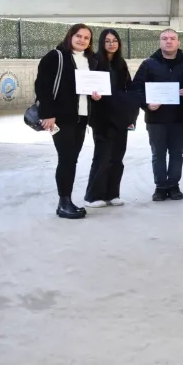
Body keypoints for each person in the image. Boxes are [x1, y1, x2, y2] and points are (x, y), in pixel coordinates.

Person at [35, 23, 99, 219]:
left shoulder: (91, 60)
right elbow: (42, 86)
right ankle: (64, 203)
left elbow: (90, 86)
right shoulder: (56, 56)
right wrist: (47, 114)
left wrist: (96, 95)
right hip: (61, 118)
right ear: (70, 36)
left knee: (71, 159)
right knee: (66, 159)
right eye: (78, 36)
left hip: (81, 117)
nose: (82, 40)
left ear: (89, 42)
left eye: (86, 38)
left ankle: (67, 201)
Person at [132, 28, 183, 201]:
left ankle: (173, 186)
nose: (169, 41)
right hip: (156, 119)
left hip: (179, 119)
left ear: (178, 42)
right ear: (160, 42)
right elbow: (136, 88)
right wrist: (146, 104)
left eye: (172, 38)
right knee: (158, 154)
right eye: (165, 38)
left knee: (176, 154)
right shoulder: (148, 64)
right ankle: (160, 187)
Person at [84, 28, 136, 210]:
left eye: (114, 40)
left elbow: (129, 90)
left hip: (120, 117)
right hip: (102, 118)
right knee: (102, 157)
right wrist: (92, 95)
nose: (111, 44)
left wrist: (131, 116)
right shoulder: (94, 61)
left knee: (117, 157)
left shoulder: (121, 64)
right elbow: (85, 86)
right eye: (107, 41)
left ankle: (112, 193)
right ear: (101, 43)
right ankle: (93, 196)